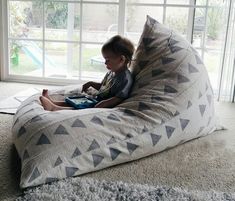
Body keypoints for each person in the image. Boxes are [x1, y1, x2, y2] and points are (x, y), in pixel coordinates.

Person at [40, 35, 135, 111]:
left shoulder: (125, 78)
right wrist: (91, 84)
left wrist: (104, 104)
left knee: (81, 108)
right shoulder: (111, 73)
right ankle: (53, 102)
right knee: (78, 100)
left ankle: (55, 108)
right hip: (97, 99)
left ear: (121, 59)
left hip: (103, 105)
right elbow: (103, 87)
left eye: (107, 60)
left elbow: (120, 97)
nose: (105, 63)